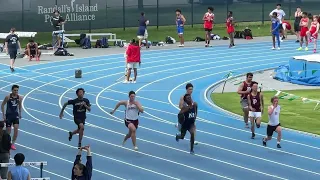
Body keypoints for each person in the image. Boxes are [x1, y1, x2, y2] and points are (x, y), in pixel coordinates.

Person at [1, 85, 22, 150]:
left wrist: (20, 113)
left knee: (16, 130)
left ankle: (12, 144)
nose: (16, 91)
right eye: (15, 90)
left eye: (17, 90)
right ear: (12, 90)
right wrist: (3, 114)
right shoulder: (8, 97)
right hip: (9, 116)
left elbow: (20, 106)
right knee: (8, 131)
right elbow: (2, 105)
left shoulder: (19, 98)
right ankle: (5, 141)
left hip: (15, 116)